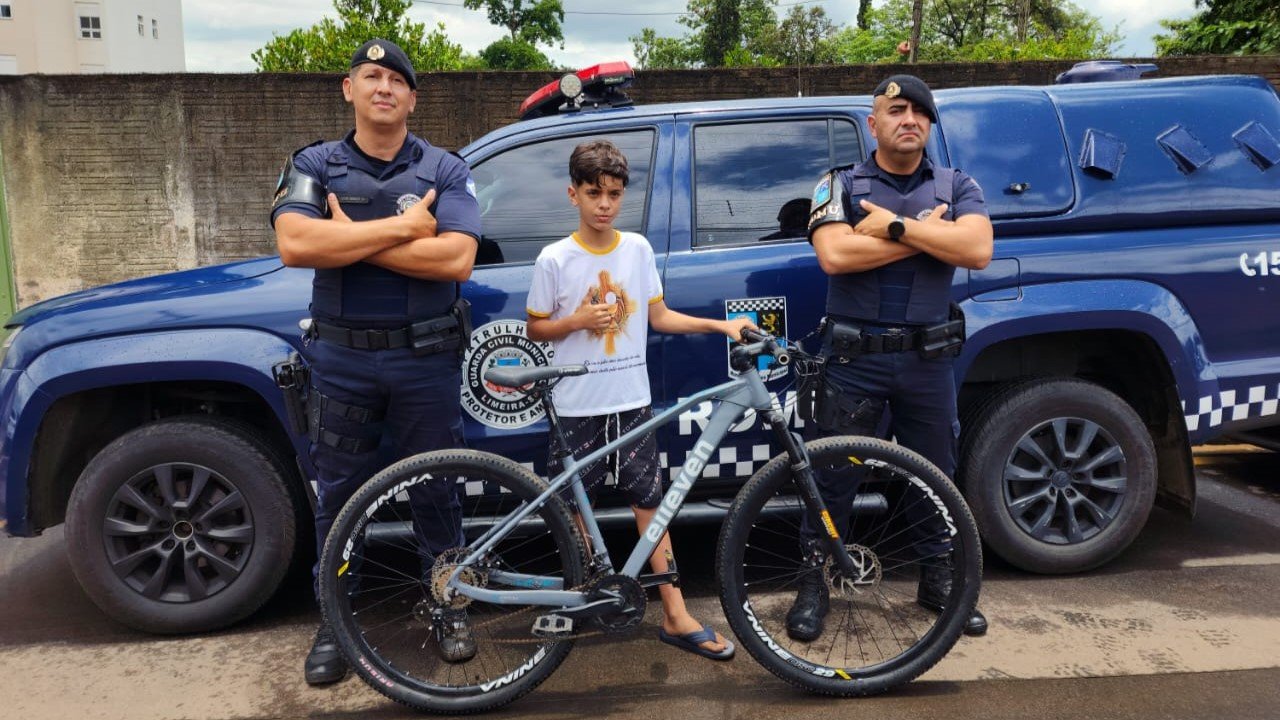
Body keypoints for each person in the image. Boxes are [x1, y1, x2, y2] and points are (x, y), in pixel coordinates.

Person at [270, 39, 482, 685]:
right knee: (339, 496)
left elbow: (456, 261)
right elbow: (295, 242)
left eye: (397, 79)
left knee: (439, 491)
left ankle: (450, 605)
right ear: (349, 88)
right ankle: (335, 620)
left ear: (413, 97)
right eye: (371, 76)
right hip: (343, 362)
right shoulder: (314, 163)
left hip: (427, 360)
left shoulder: (446, 170)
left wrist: (349, 241)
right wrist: (402, 230)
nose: (384, 86)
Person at [525, 139, 755, 661]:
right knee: (573, 515)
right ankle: (585, 600)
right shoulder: (554, 259)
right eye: (593, 193)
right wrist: (577, 321)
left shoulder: (638, 250)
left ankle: (675, 613)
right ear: (573, 194)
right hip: (577, 405)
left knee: (652, 505)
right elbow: (536, 329)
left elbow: (660, 317)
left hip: (631, 401)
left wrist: (721, 325)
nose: (604, 204)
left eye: (613, 194)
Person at [788, 74, 993, 639]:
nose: (910, 119)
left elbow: (976, 249)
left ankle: (938, 582)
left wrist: (892, 225)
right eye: (896, 109)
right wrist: (929, 234)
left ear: (930, 124)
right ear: (872, 123)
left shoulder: (959, 183)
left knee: (934, 476)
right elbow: (834, 254)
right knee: (831, 478)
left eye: (920, 113)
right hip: (855, 362)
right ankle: (814, 582)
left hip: (928, 363)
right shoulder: (839, 183)